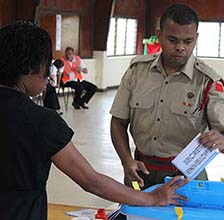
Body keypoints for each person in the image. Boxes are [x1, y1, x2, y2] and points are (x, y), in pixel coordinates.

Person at [0, 21, 189, 220]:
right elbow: (91, 181)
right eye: (46, 66)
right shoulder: (41, 121)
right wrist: (152, 198)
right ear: (33, 67)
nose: (48, 75)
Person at [110, 4, 224, 190]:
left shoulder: (207, 81)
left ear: (196, 38)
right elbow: (118, 122)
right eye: (172, 40)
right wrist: (126, 161)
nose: (180, 47)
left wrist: (223, 140)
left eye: (188, 41)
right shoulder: (137, 72)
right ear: (159, 34)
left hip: (187, 178)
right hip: (140, 172)